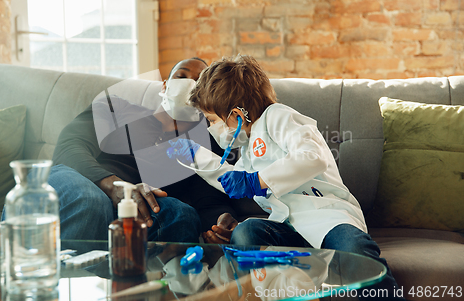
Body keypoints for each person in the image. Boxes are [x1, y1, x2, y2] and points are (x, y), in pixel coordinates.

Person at [167, 54, 405, 300]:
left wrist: (256, 181)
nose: (211, 127)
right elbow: (233, 179)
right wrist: (194, 155)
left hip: (329, 217)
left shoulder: (278, 117)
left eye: (213, 120)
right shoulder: (248, 150)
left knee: (355, 252)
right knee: (246, 232)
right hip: (288, 226)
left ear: (237, 115)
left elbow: (312, 157)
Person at [49, 57, 253, 243]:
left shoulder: (204, 145)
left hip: (141, 206)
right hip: (81, 179)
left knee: (183, 217)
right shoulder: (115, 107)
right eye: (181, 76)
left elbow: (208, 201)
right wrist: (116, 186)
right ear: (165, 85)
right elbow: (69, 147)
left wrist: (220, 224)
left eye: (200, 82)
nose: (189, 84)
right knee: (91, 202)